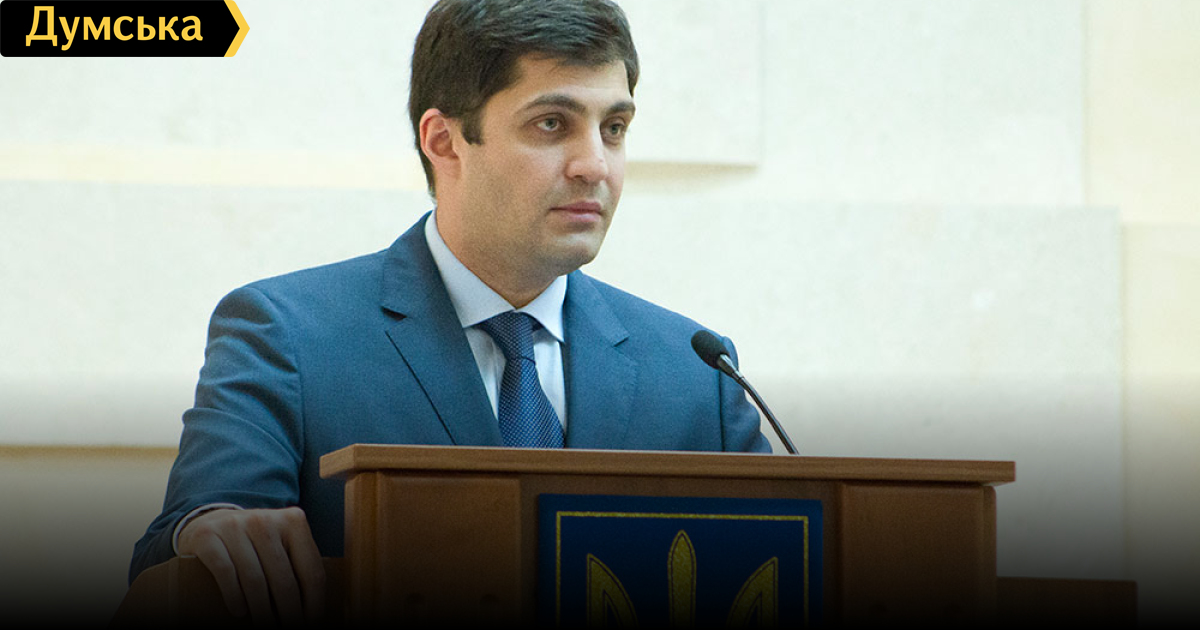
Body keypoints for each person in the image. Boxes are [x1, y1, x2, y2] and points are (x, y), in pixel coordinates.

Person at [130, 0, 770, 624]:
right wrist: (210, 531)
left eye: (614, 128)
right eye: (552, 124)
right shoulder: (286, 334)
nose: (594, 165)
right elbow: (177, 551)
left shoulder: (697, 372)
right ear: (444, 141)